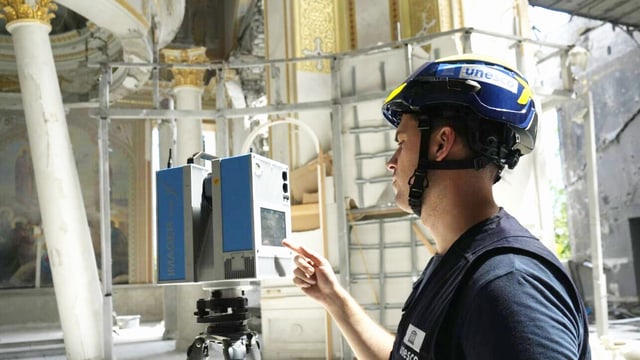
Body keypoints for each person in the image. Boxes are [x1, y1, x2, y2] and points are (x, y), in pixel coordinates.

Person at [283, 54, 591, 359]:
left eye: (401, 142)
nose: (391, 163)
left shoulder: (510, 289)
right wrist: (334, 299)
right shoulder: (456, 263)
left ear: (441, 144)